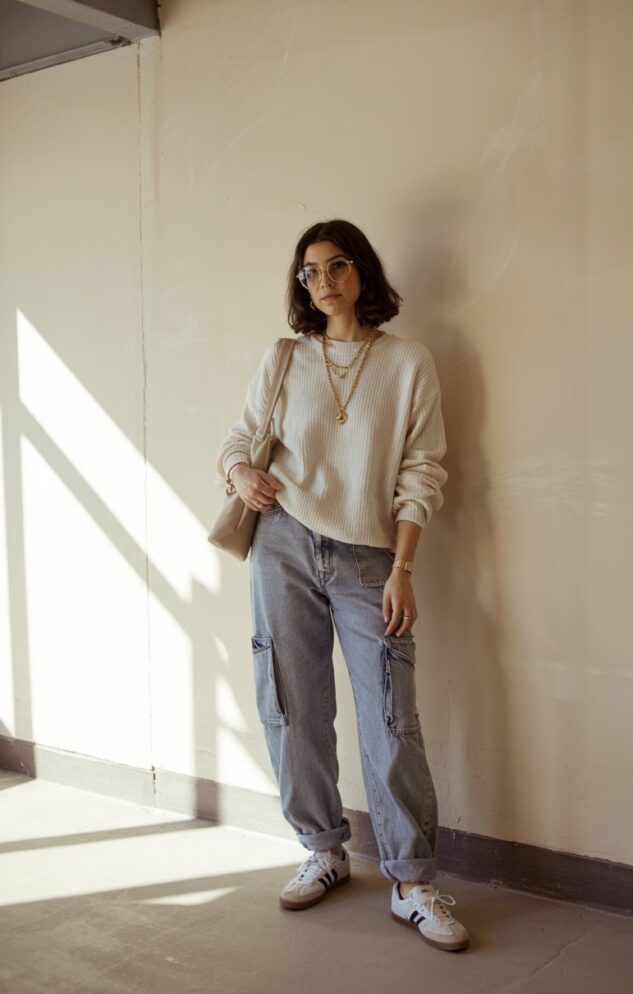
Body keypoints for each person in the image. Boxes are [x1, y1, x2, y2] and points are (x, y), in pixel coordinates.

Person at [215, 219, 469, 952]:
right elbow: (237, 439)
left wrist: (405, 566)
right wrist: (242, 474)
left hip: (368, 556)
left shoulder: (409, 362)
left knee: (391, 714)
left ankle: (411, 881)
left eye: (336, 266)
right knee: (289, 703)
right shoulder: (285, 356)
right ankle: (322, 849)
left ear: (362, 273)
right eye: (309, 272)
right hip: (282, 544)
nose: (322, 281)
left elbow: (422, 472)